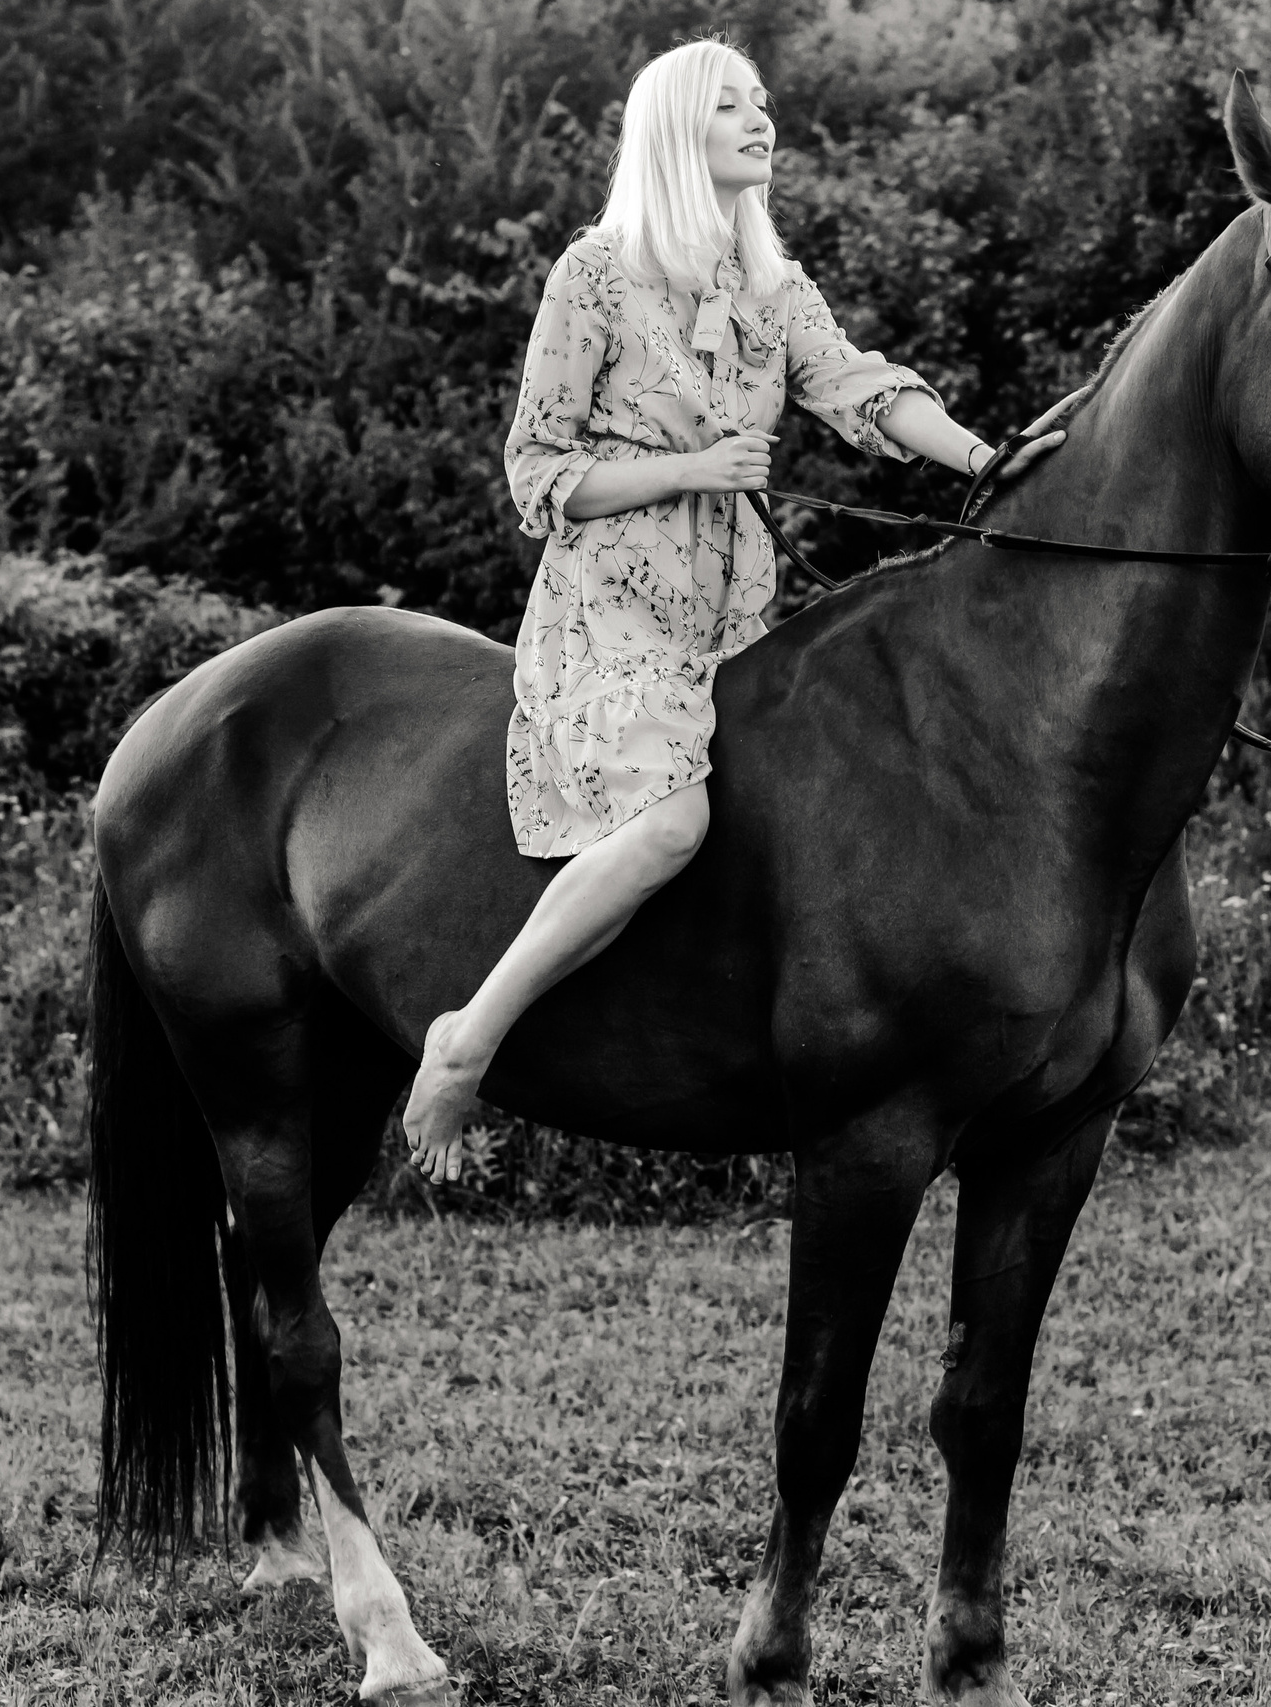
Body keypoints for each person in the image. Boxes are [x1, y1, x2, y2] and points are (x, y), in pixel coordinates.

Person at [402, 36, 1063, 1181]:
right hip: (610, 608)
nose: (760, 120)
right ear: (673, 130)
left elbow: (859, 385)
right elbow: (537, 472)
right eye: (729, 106)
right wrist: (686, 471)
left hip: (734, 610)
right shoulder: (593, 272)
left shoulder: (767, 283)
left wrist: (984, 461)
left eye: (763, 103)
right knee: (669, 827)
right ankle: (469, 1039)